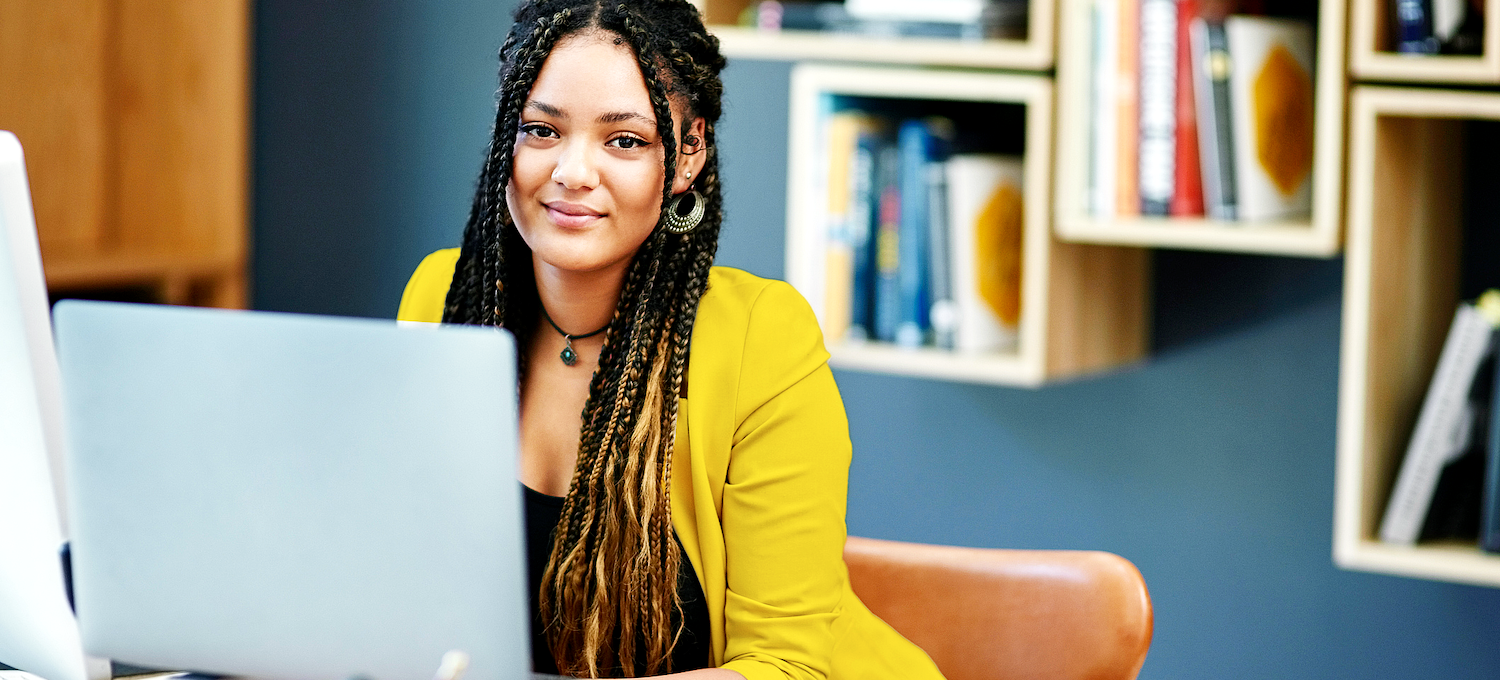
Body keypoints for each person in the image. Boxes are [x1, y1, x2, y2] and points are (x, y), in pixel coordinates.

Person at [397, 1, 945, 678]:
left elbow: (782, 668)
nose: (571, 171)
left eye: (623, 140)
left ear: (688, 154)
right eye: (541, 130)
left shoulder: (761, 340)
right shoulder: (442, 301)